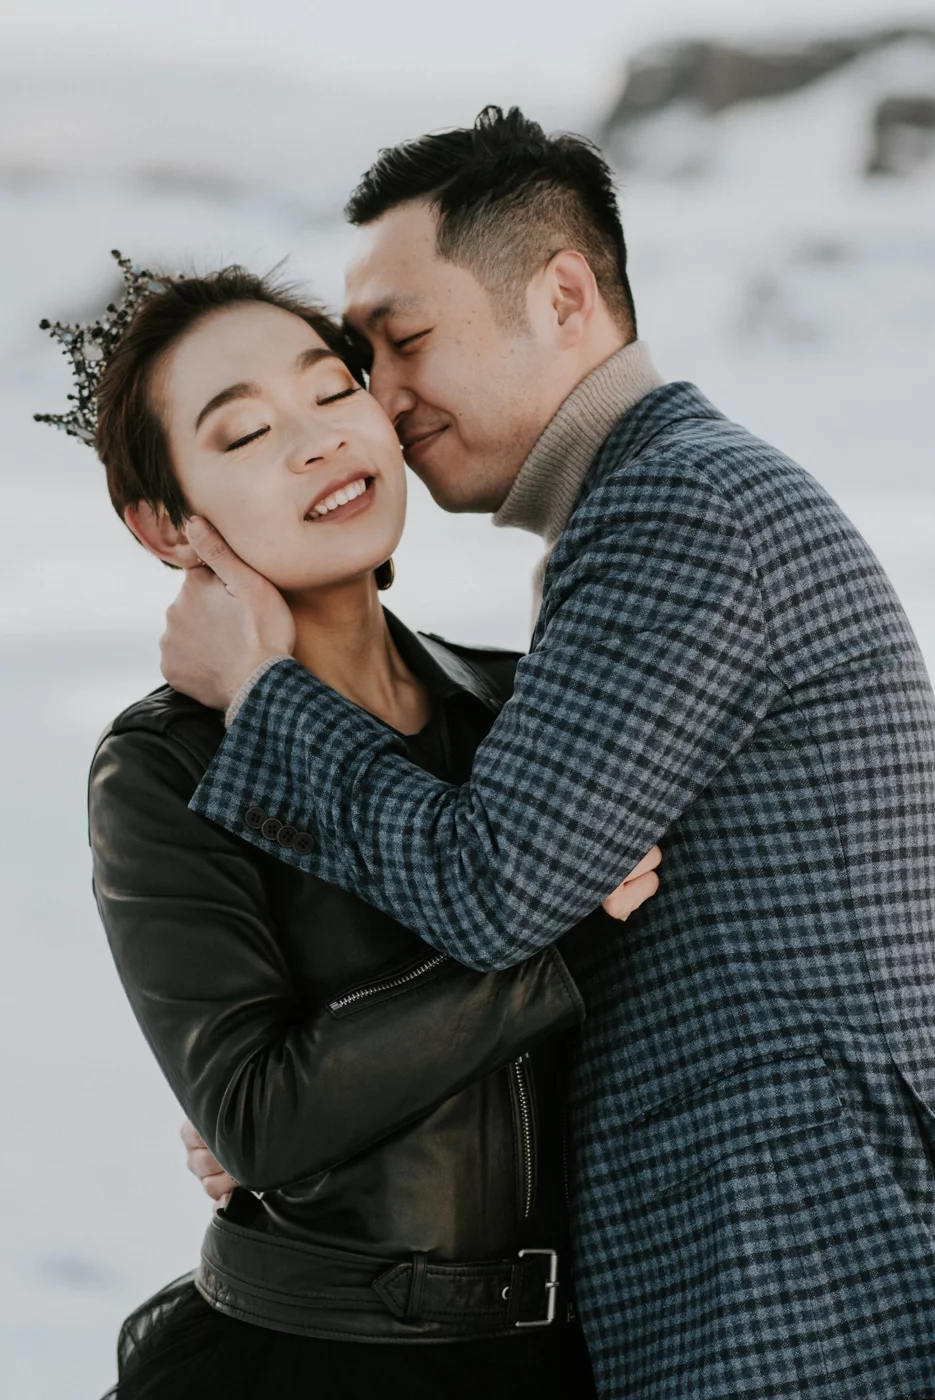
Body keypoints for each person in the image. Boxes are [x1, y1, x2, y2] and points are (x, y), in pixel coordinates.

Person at [160, 107, 935, 1400]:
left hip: (786, 1272)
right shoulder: (646, 511)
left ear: (562, 296)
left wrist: (259, 693)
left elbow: (489, 887)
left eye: (402, 341)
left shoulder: (678, 508)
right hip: (748, 1255)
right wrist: (313, 1135)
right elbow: (566, 935)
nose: (383, 398)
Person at [44, 259, 660, 1399]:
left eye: (332, 390)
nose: (317, 439)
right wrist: (557, 942)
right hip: (312, 1359)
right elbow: (260, 1113)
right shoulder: (163, 766)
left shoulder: (525, 703)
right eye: (242, 435)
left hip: (573, 1356)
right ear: (165, 522)